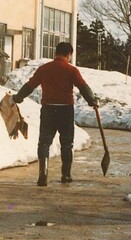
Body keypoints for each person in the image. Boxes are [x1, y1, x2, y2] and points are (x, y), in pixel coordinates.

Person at [11, 42, 98, 186]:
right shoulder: (71, 70)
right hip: (66, 111)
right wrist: (92, 101)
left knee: (44, 143)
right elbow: (83, 87)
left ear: (56, 53)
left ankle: (43, 175)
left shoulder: (44, 69)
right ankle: (66, 175)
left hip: (48, 110)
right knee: (67, 144)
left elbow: (30, 85)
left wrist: (18, 97)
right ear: (68, 54)